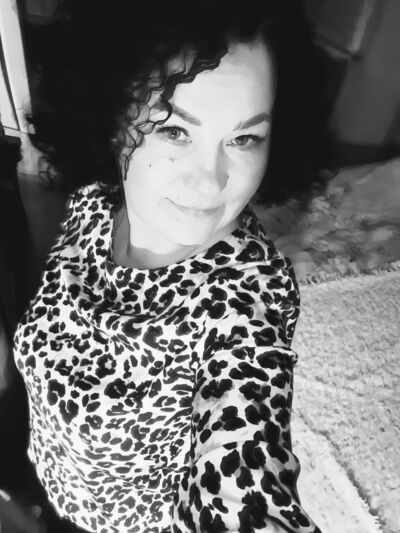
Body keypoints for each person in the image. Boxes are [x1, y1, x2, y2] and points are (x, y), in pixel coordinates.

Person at [12, 0, 327, 531]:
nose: (210, 180)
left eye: (244, 139)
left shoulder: (247, 298)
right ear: (114, 119)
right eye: (175, 131)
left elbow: (244, 468)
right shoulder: (95, 201)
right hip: (45, 482)